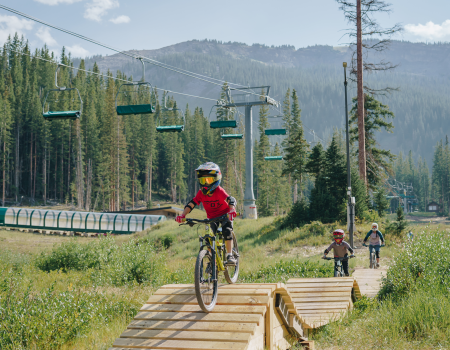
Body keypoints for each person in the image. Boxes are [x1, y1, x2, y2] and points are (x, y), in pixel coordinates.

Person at [176, 162, 237, 265]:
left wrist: (232, 210)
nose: (205, 184)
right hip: (212, 218)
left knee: (227, 231)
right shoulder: (201, 193)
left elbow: (231, 200)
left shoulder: (219, 191)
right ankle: (211, 259)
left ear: (216, 179)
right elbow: (192, 203)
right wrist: (183, 215)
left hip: (224, 215)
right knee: (208, 238)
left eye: (208, 180)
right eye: (203, 180)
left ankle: (230, 255)